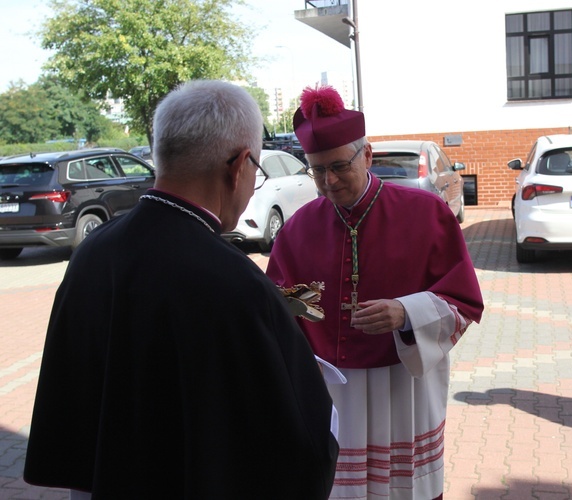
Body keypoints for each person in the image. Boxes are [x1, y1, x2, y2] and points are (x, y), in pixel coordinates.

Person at [24, 80, 338, 499]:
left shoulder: (93, 253)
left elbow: (72, 402)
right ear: (239, 164)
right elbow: (293, 442)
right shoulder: (236, 282)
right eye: (256, 171)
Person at [265, 85, 484, 500]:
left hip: (403, 384)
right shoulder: (296, 228)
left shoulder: (426, 213)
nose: (328, 182)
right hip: (334, 391)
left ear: (367, 156)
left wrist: (406, 313)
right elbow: (278, 305)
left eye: (338, 167)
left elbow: (464, 301)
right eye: (316, 170)